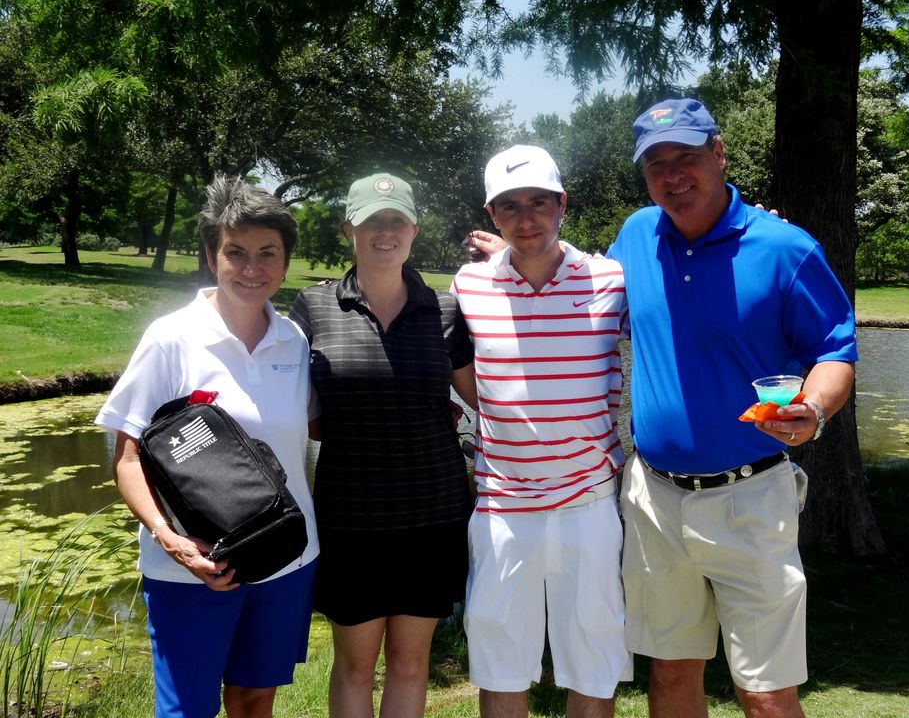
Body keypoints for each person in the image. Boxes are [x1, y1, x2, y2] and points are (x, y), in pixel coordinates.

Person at [608, 99, 858, 718]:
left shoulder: (783, 248)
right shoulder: (637, 234)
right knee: (668, 675)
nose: (673, 175)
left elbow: (835, 352)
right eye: (657, 164)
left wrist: (815, 410)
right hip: (655, 498)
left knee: (766, 694)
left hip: (751, 500)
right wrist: (509, 257)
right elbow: (576, 294)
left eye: (687, 157)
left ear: (718, 155)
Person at [95, 175, 319, 718]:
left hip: (287, 558)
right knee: (187, 710)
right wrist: (170, 540)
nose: (252, 268)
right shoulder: (171, 338)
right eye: (235, 252)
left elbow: (316, 430)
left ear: (286, 262)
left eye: (268, 253)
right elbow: (126, 458)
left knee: (253, 699)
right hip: (193, 567)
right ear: (210, 256)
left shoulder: (294, 339)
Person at [288, 173, 477, 718]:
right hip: (351, 519)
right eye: (372, 221)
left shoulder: (444, 312)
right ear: (350, 228)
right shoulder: (313, 308)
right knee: (353, 667)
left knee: (411, 664)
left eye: (396, 221)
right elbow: (294, 407)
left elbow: (485, 401)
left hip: (434, 515)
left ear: (414, 230)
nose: (385, 232)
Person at [452, 145, 631, 718]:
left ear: (562, 205)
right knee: (502, 665)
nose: (526, 218)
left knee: (593, 666)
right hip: (504, 507)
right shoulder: (469, 286)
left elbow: (686, 316)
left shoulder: (610, 278)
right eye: (510, 206)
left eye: (538, 203)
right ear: (492, 214)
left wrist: (756, 229)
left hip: (590, 503)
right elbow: (461, 370)